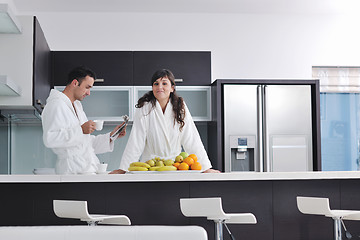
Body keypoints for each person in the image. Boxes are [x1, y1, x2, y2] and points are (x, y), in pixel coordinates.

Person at [110, 69, 220, 174]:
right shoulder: (144, 108)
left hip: (175, 166)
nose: (160, 87)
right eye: (156, 84)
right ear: (152, 87)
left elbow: (191, 138)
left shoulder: (180, 107)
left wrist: (205, 167)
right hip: (151, 168)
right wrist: (123, 168)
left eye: (164, 83)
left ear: (172, 88)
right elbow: (136, 141)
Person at [42, 66, 126, 174]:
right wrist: (80, 130)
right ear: (75, 83)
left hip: (86, 170)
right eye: (87, 87)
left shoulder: (77, 106)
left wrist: (111, 136)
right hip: (71, 171)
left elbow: (86, 143)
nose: (88, 93)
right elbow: (50, 139)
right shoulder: (56, 105)